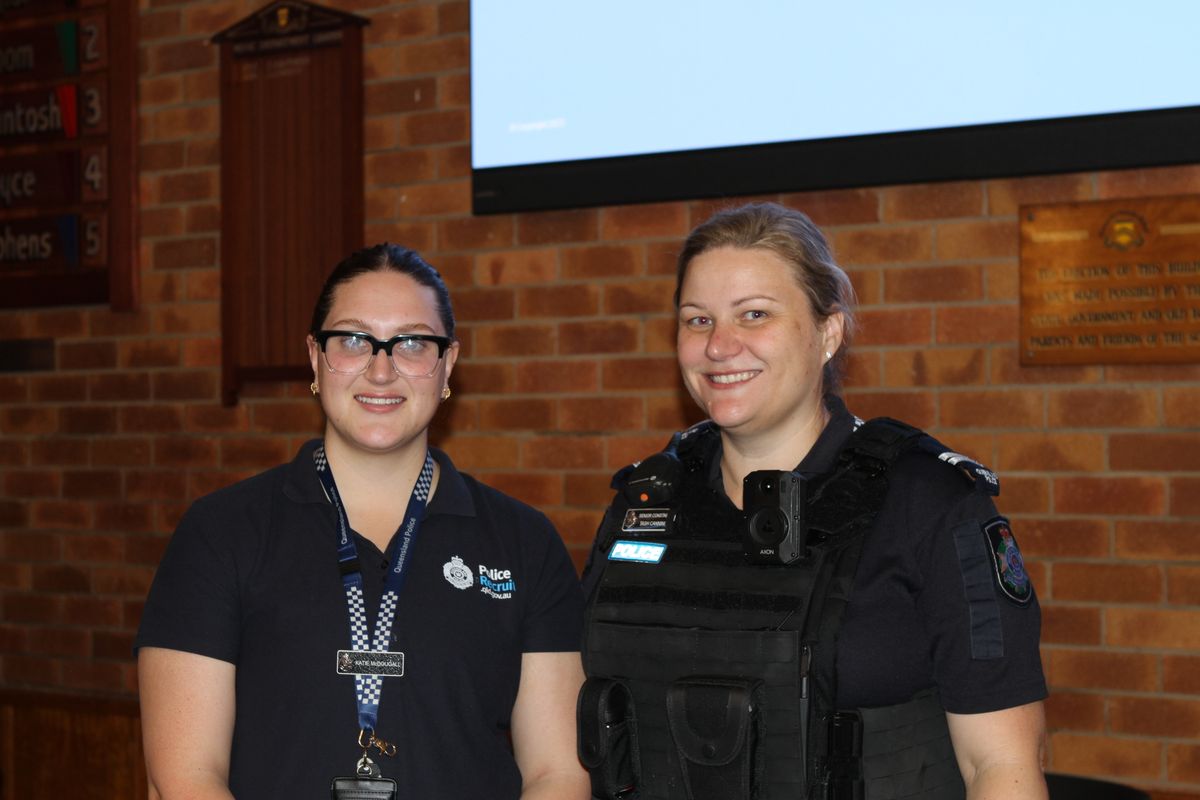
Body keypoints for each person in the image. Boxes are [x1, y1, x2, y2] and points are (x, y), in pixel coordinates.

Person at [578, 203, 1047, 800]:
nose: (719, 345)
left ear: (829, 332)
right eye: (698, 320)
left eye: (754, 314)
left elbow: (1001, 768)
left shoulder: (927, 503)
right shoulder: (646, 502)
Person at [136, 244, 590, 800]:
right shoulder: (221, 533)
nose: (381, 370)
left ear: (447, 364)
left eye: (412, 344)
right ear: (314, 357)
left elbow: (558, 775)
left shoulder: (524, 542)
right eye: (353, 340)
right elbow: (183, 777)